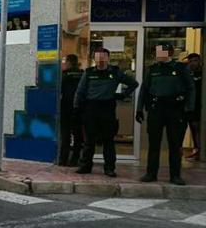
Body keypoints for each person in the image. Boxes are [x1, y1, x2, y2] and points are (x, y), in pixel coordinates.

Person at [136, 44, 196, 185]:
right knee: (154, 143)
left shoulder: (180, 68)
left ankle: (175, 175)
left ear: (169, 53)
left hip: (175, 109)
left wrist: (189, 109)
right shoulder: (152, 70)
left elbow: (191, 88)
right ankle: (151, 173)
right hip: (156, 109)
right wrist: (139, 109)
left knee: (175, 144)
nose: (157, 55)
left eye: (160, 52)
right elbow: (144, 90)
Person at [74, 47, 139, 177]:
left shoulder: (115, 72)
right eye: (98, 57)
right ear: (94, 59)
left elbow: (134, 83)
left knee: (108, 141)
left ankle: (109, 168)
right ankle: (85, 166)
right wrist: (76, 107)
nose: (100, 60)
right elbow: (80, 91)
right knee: (89, 141)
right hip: (91, 108)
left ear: (108, 58)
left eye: (103, 57)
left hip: (107, 109)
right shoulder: (89, 73)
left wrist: (122, 95)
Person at [58, 54, 84, 166]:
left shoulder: (64, 75)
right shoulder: (83, 74)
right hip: (79, 109)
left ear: (69, 62)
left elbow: (59, 92)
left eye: (65, 61)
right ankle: (75, 159)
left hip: (66, 109)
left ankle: (63, 159)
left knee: (66, 136)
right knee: (78, 136)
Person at [184, 53, 202, 160]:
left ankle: (199, 151)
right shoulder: (187, 74)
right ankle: (197, 150)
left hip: (200, 104)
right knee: (193, 127)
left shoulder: (202, 73)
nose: (193, 63)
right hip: (190, 105)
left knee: (198, 128)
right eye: (190, 61)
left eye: (195, 60)